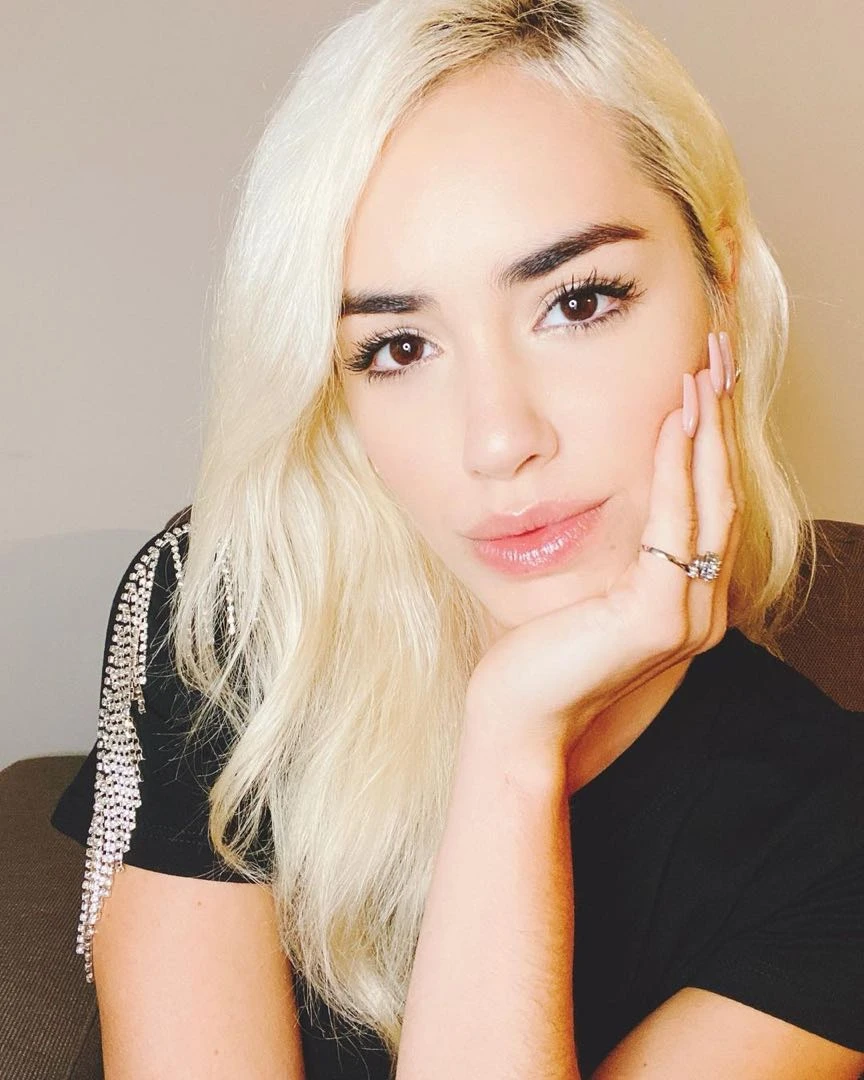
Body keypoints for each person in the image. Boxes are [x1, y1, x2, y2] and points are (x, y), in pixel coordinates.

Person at [50, 0, 864, 1077]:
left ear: (718, 284)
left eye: (578, 301)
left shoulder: (836, 835)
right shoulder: (239, 617)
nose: (497, 439)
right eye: (396, 346)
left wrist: (513, 738)